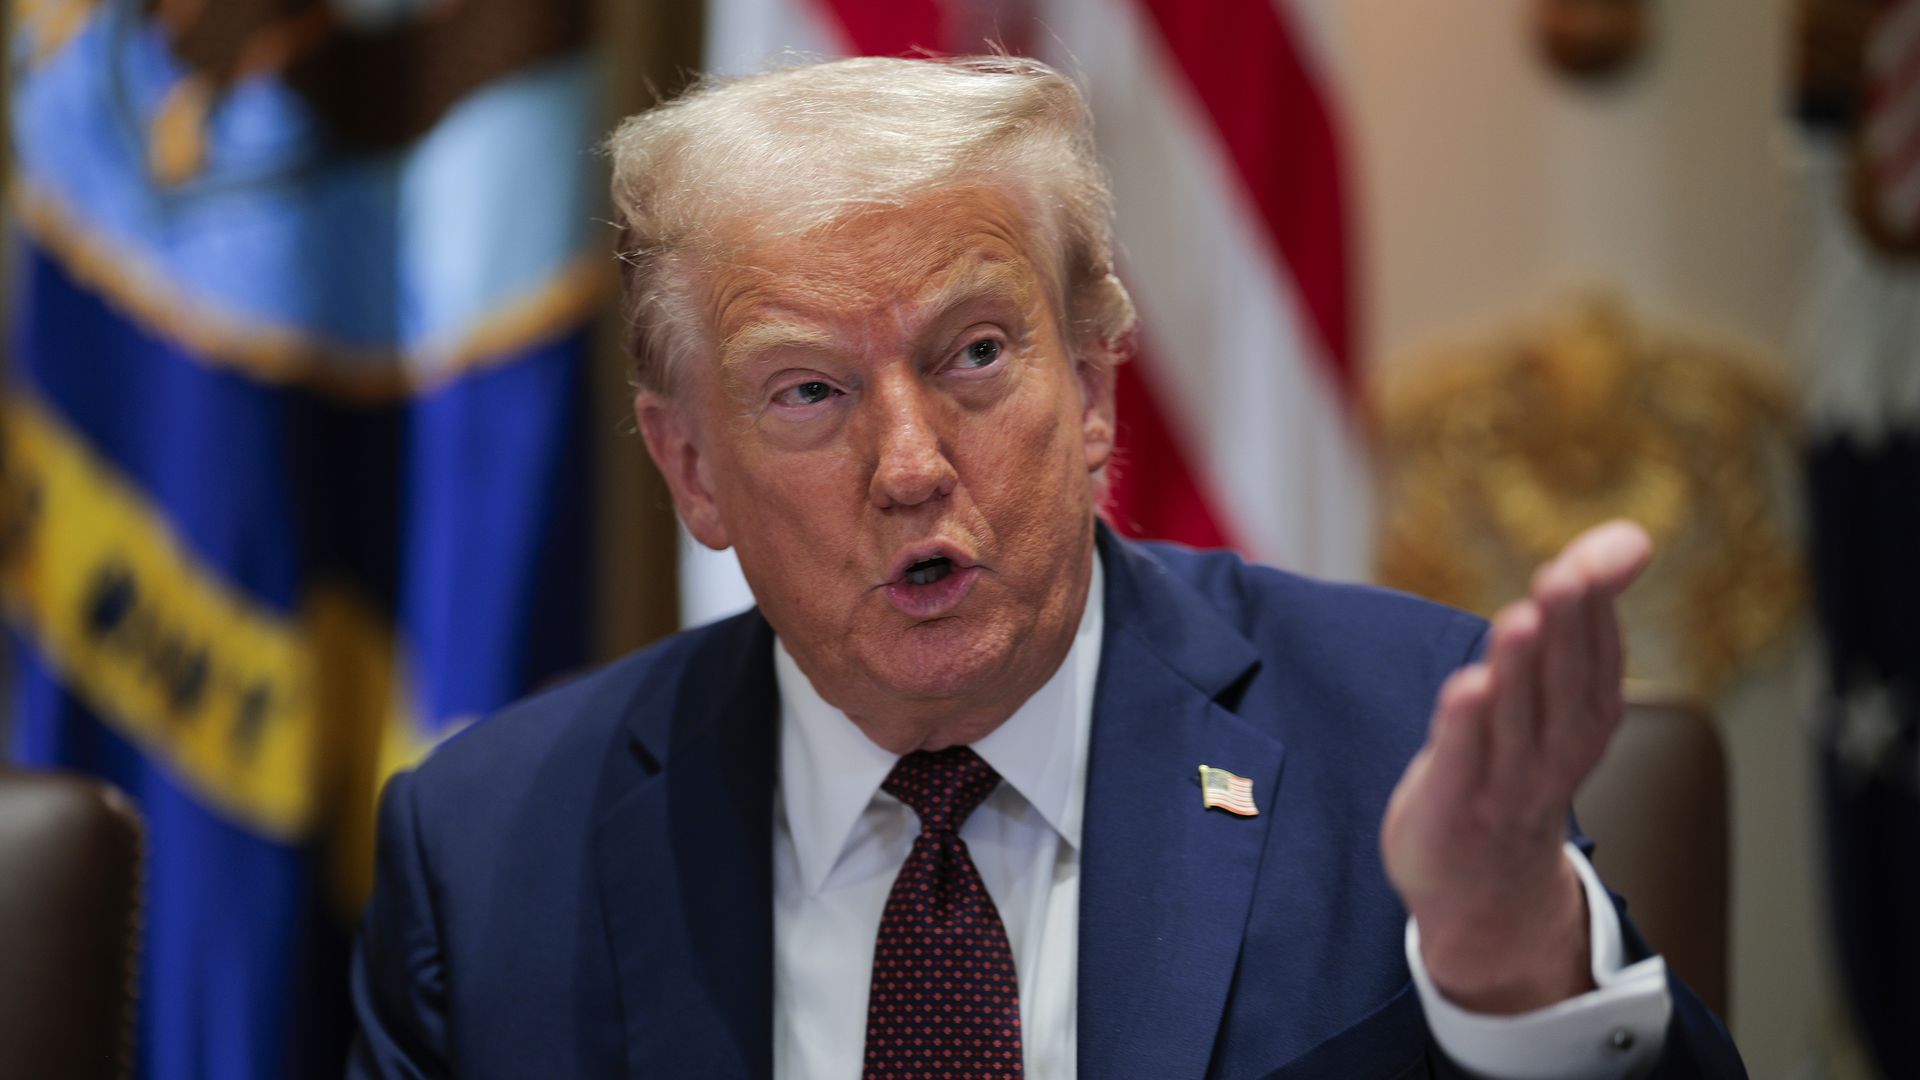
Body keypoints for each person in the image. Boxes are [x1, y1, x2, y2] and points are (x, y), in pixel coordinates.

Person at [347, 55, 1743, 1078]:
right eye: (809, 391)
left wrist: (1515, 968)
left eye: (974, 355)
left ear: (1089, 392)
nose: (910, 465)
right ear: (694, 470)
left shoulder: (1398, 736)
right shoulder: (486, 857)